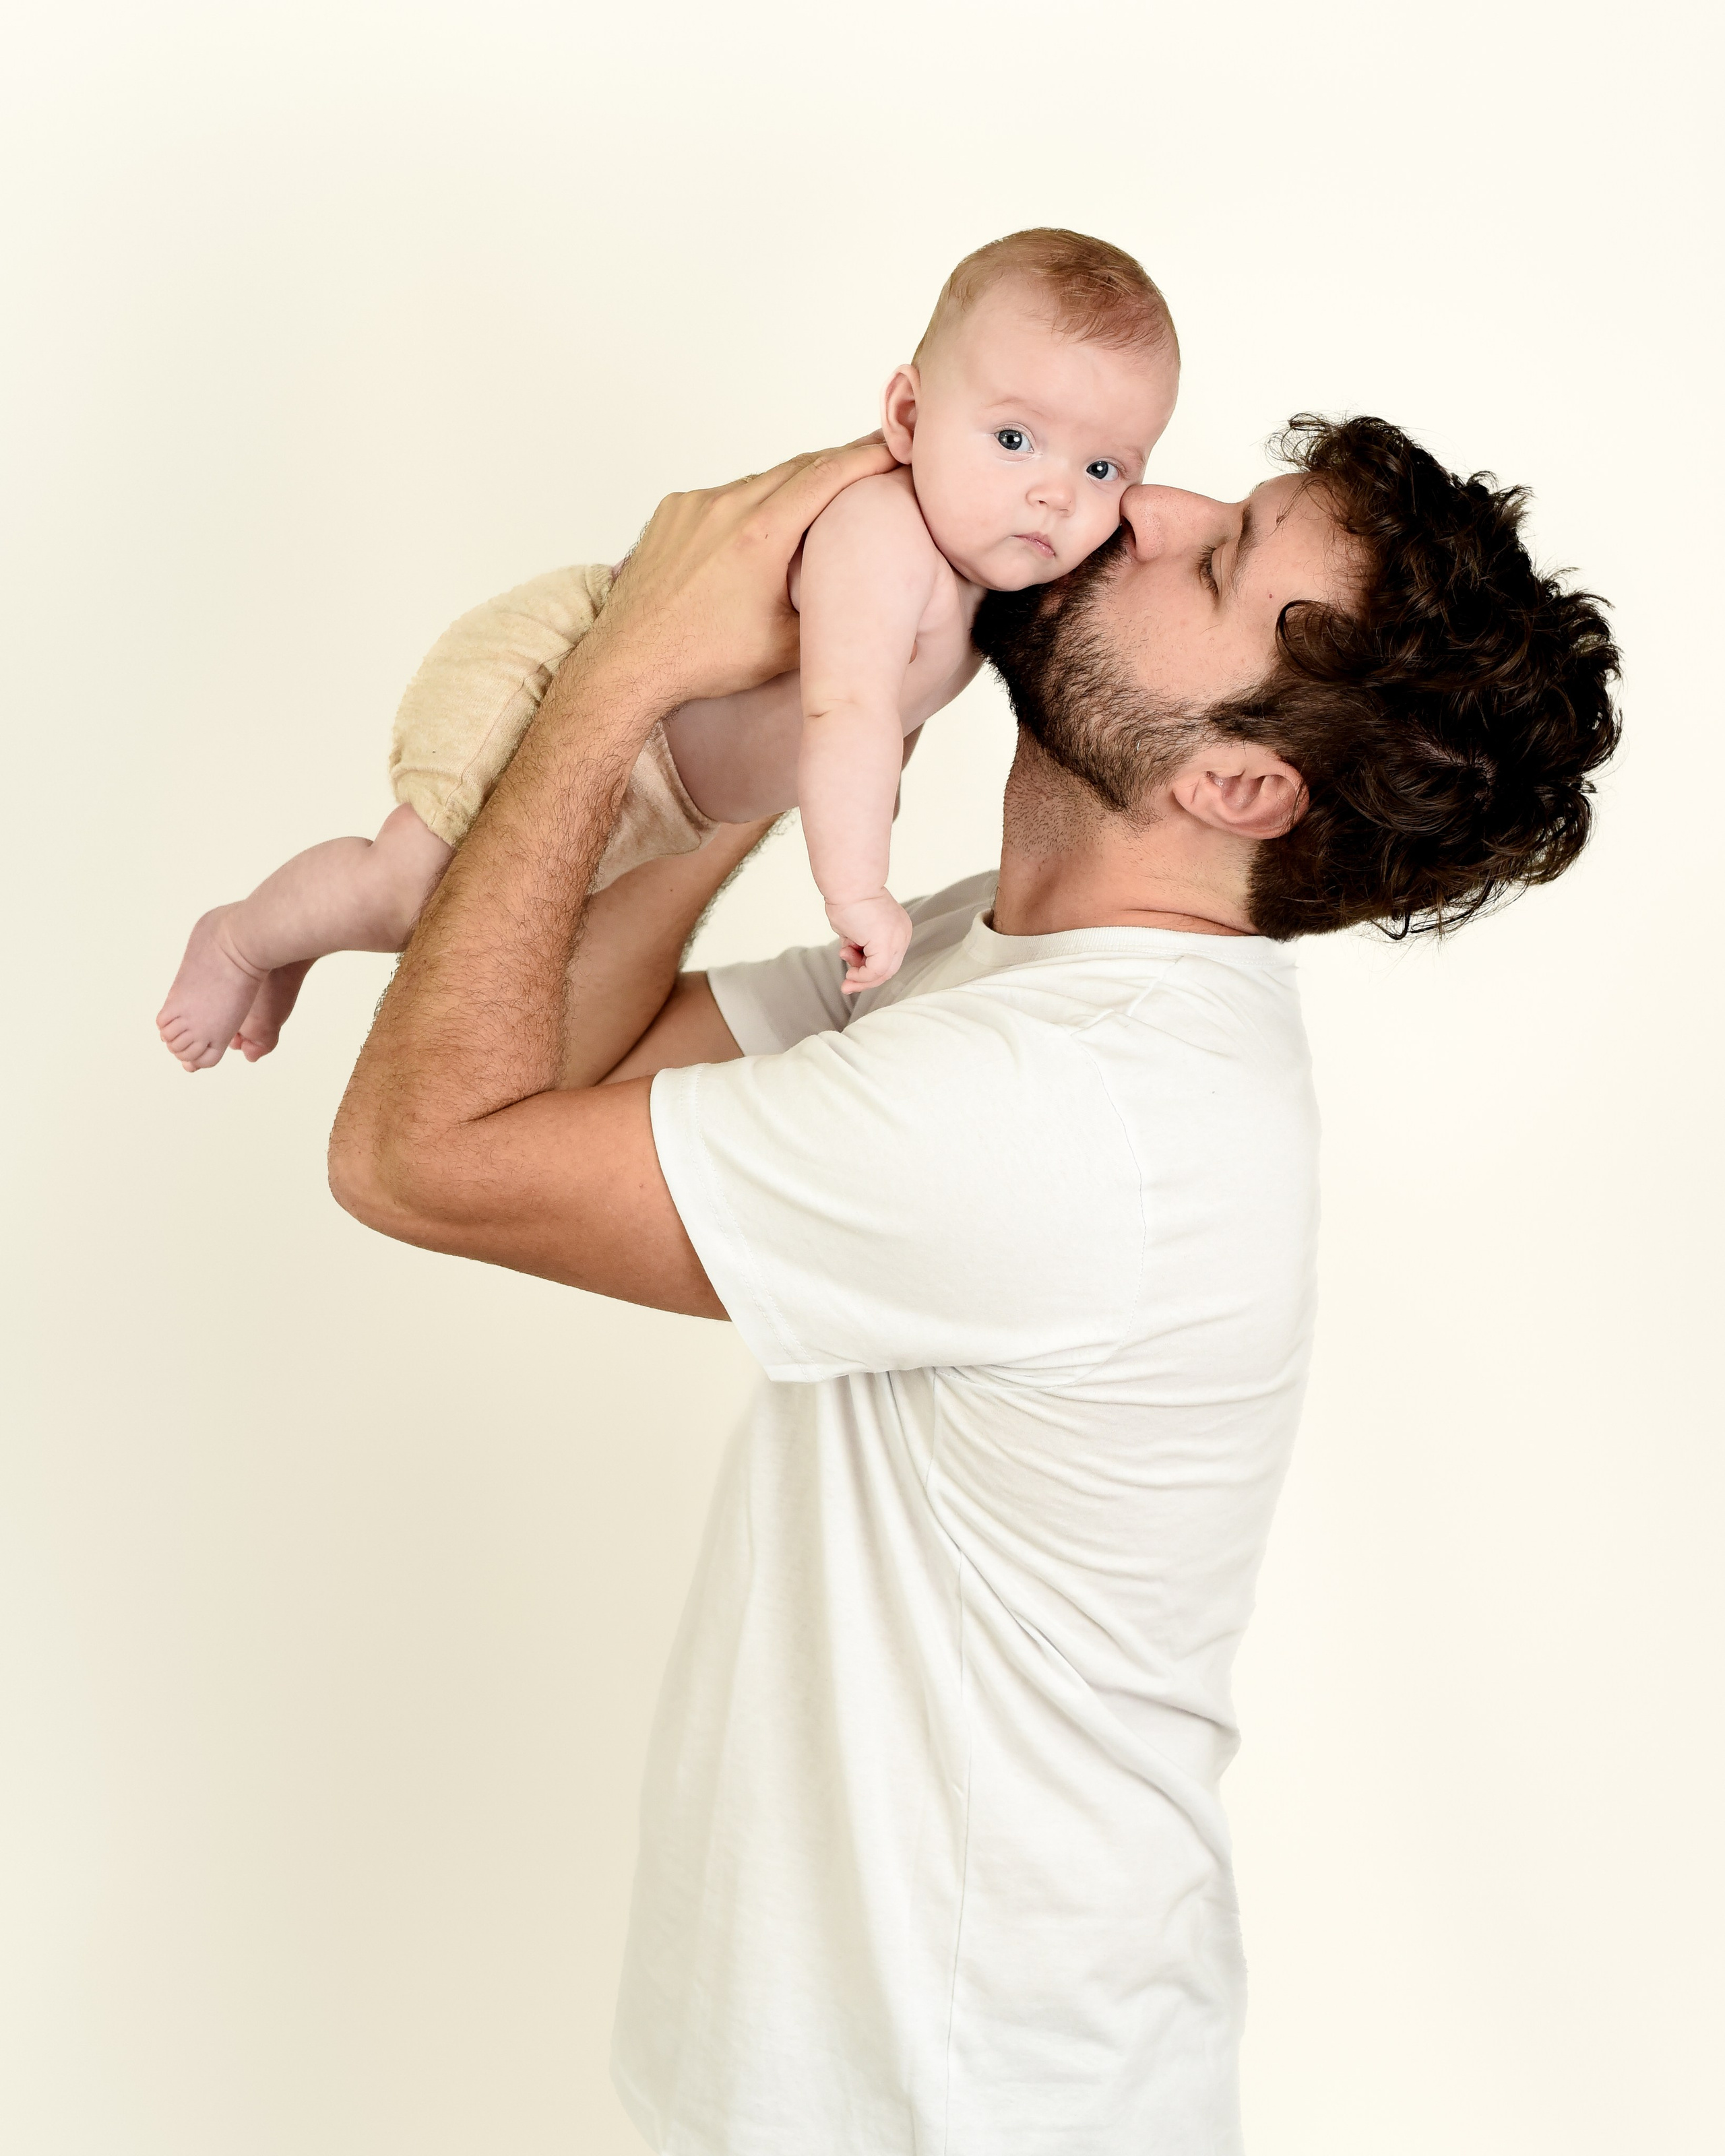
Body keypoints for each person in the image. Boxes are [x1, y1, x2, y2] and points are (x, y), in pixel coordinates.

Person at [326, 414, 1619, 2155]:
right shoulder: (1003, 970)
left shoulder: (1064, 1112)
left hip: (959, 2109)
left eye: (1217, 557)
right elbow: (573, 1054)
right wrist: (795, 728)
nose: (1140, 506)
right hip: (855, 2082)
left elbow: (426, 1154)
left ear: (1235, 785)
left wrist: (635, 662)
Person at [154, 230, 1180, 1070]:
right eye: (1013, 439)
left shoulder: (987, 579)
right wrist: (857, 889)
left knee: (468, 927)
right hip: (565, 676)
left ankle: (292, 943)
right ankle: (241, 934)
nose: (1056, 493)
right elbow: (850, 713)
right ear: (908, 415)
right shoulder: (885, 536)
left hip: (649, 782)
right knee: (415, 888)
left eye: (1102, 465)